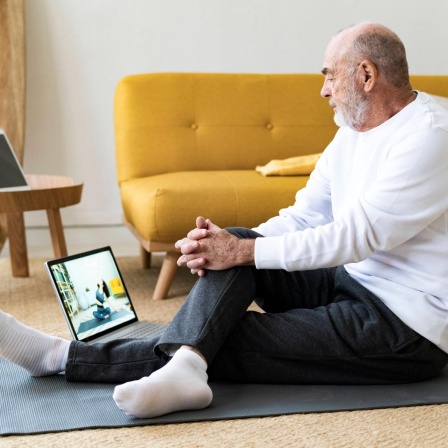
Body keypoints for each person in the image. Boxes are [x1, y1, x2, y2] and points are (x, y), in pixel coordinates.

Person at [1, 21, 448, 420]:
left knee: (232, 334)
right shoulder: (350, 133)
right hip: (347, 279)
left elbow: (359, 236)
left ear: (366, 75)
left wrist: (245, 250)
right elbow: (306, 214)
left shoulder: (430, 135)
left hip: (402, 324)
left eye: (329, 74)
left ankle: (60, 357)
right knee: (233, 249)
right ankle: (186, 365)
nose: (324, 89)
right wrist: (228, 246)